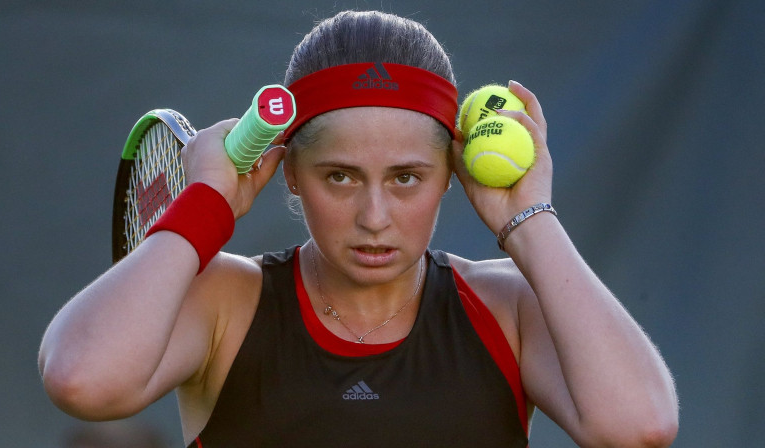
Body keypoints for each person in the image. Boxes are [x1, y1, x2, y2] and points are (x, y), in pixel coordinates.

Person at [39, 10, 679, 448]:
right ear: (289, 173)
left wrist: (528, 219)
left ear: (452, 172)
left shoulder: (508, 305)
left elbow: (639, 427)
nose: (375, 217)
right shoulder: (226, 303)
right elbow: (83, 380)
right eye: (340, 176)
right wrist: (207, 201)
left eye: (407, 177)